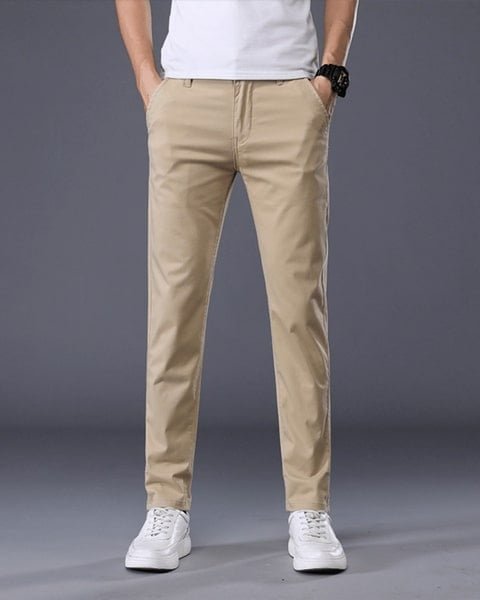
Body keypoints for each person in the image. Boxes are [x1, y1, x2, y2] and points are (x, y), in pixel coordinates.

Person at [115, 0, 358, 573]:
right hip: (187, 98)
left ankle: (309, 507)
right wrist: (148, 80)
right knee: (173, 312)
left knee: (300, 311)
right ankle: (165, 504)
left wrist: (329, 74)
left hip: (287, 96)